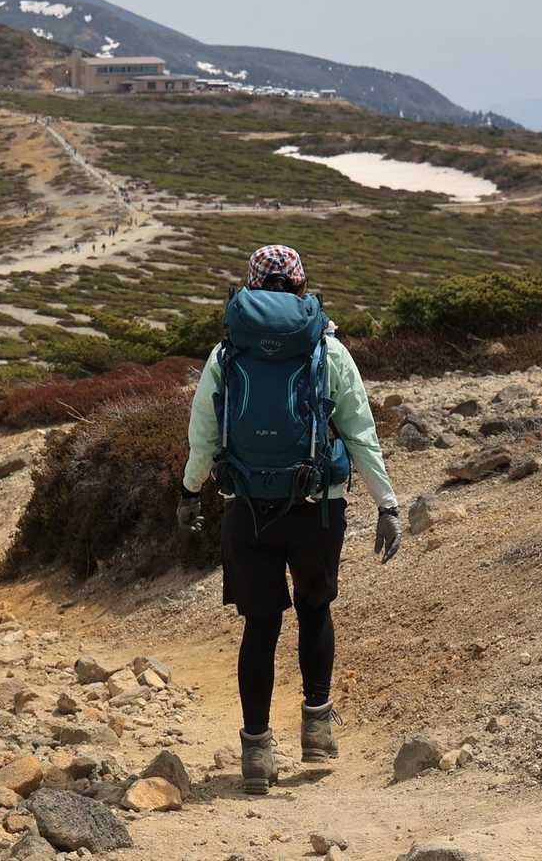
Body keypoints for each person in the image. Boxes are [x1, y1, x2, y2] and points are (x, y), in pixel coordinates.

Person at [180, 245, 400, 795]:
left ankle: (256, 754)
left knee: (260, 627)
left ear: (250, 288)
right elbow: (361, 432)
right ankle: (317, 730)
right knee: (315, 609)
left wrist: (189, 491)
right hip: (317, 504)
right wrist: (387, 504)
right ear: (302, 286)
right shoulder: (328, 348)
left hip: (247, 506)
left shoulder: (225, 353)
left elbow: (203, 434)